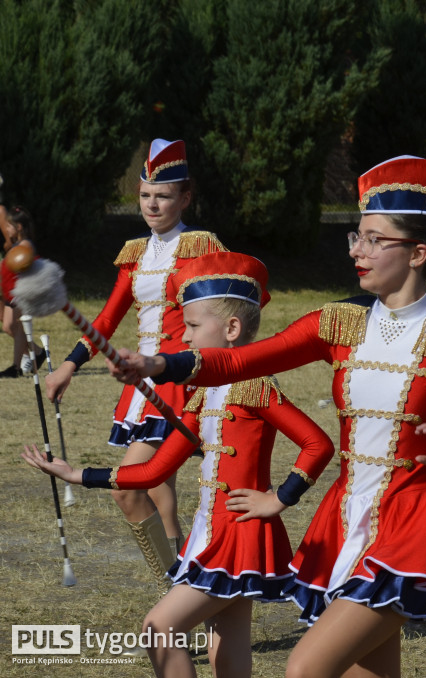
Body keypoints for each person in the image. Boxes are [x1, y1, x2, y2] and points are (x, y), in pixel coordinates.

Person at [108, 155, 426, 678]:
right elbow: (240, 360)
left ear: (418, 252)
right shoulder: (338, 320)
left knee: (305, 669)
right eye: (355, 238)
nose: (356, 251)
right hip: (342, 517)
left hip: (409, 523)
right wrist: (160, 363)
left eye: (372, 240)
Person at [23, 252, 335, 677]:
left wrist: (277, 499)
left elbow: (318, 444)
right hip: (209, 534)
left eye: (191, 326)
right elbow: (154, 471)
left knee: (158, 628)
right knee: (226, 658)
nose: (183, 338)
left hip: (237, 536)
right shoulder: (203, 392)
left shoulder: (255, 386)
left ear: (231, 329)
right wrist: (76, 473)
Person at [44, 139, 228, 586]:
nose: (152, 204)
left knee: (130, 492)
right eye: (145, 195)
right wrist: (69, 364)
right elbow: (107, 319)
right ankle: (188, 594)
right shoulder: (135, 253)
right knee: (162, 500)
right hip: (142, 387)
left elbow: (226, 314)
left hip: (179, 377)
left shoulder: (199, 246)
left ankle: (180, 591)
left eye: (163, 195)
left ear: (185, 198)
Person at [0, 205, 44, 377]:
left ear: (18, 227)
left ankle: (15, 368)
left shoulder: (25, 246)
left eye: (9, 226)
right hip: (12, 293)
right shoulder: (17, 244)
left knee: (18, 329)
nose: (7, 229)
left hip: (23, 293)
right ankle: (38, 352)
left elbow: (28, 269)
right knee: (9, 327)